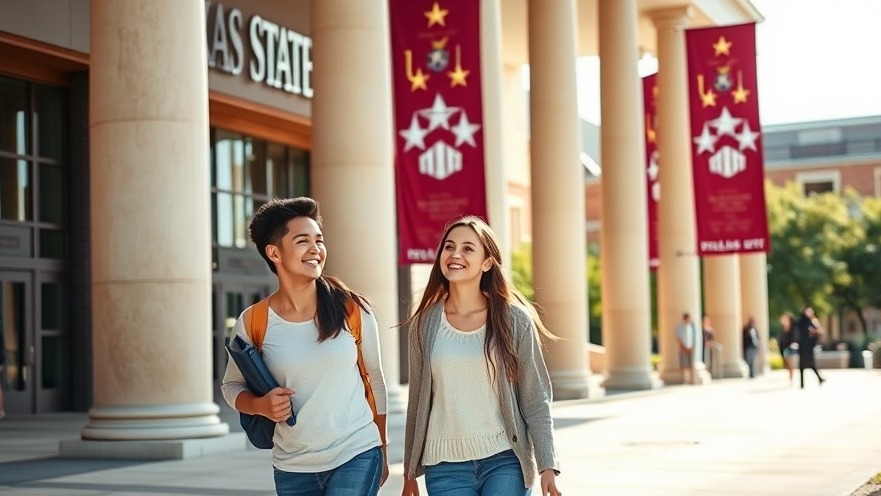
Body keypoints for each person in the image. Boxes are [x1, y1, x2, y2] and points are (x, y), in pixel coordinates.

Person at [221, 197, 389, 496]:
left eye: (319, 240)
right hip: (292, 467)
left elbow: (374, 378)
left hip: (356, 451)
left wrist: (383, 447)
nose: (316, 249)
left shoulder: (351, 309)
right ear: (274, 252)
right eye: (302, 241)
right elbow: (231, 386)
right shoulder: (254, 320)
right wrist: (259, 405)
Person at [400, 216, 562, 496]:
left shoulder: (514, 320)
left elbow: (535, 399)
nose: (455, 254)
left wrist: (547, 465)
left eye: (468, 248)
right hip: (445, 466)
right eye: (449, 247)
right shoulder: (424, 324)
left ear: (487, 263)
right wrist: (410, 472)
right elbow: (417, 402)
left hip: (505, 460)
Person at [795, 304, 825, 388]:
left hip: (809, 345)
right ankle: (802, 383)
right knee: (802, 364)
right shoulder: (800, 322)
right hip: (802, 345)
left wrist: (814, 331)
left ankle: (819, 378)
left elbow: (820, 332)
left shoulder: (812, 321)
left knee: (811, 363)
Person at [675, 313, 697, 385]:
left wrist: (692, 347)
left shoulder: (692, 327)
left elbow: (694, 338)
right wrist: (683, 347)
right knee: (683, 365)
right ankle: (683, 380)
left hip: (691, 348)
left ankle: (692, 380)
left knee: (691, 364)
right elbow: (678, 338)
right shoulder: (680, 327)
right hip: (683, 348)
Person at [777, 312, 797, 385]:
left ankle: (791, 379)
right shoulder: (782, 329)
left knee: (791, 364)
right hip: (784, 349)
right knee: (787, 365)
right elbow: (781, 340)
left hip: (791, 348)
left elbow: (795, 338)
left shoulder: (793, 328)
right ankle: (790, 377)